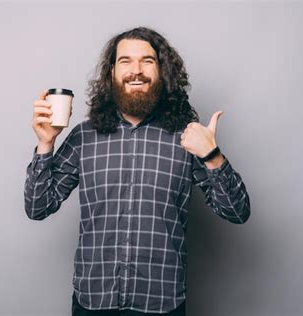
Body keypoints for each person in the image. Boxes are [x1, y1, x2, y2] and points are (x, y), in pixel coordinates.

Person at [24, 26, 251, 316]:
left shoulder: (187, 138)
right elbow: (37, 206)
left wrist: (212, 155)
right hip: (94, 301)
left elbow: (237, 211)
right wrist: (46, 144)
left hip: (161, 303)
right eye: (125, 61)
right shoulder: (85, 136)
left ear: (162, 72)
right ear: (112, 73)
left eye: (147, 61)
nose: (136, 70)